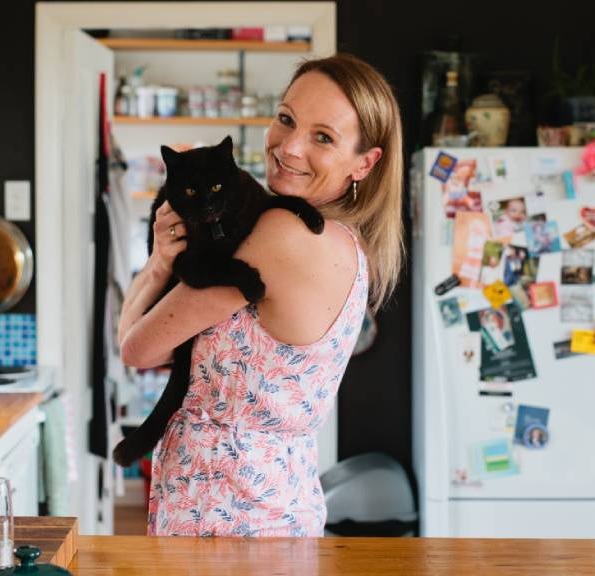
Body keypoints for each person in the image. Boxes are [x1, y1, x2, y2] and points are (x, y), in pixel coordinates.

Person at [117, 53, 404, 537]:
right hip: (277, 507)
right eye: (286, 119)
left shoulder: (283, 233)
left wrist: (159, 263)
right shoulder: (344, 243)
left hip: (224, 518)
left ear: (365, 162)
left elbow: (137, 348)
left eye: (323, 137)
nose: (288, 147)